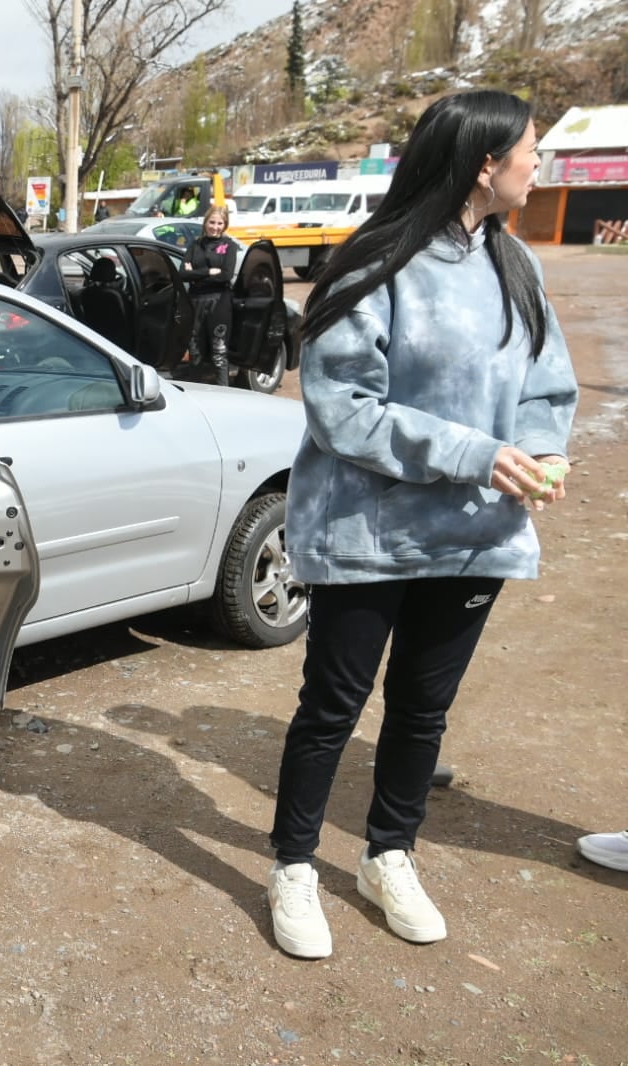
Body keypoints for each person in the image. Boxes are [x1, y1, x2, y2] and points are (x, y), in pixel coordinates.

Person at [265, 90, 577, 960]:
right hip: (369, 534)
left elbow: (548, 389)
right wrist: (478, 453)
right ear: (483, 161)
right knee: (331, 708)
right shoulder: (374, 261)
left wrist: (542, 452)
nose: (537, 165)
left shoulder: (518, 266)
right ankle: (291, 864)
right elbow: (339, 409)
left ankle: (387, 855)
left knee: (420, 712)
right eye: (529, 150)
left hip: (474, 535)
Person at [178, 204, 238, 386]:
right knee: (195, 351)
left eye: (220, 223)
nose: (215, 226)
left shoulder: (229, 246)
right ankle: (196, 393)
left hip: (219, 303)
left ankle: (224, 394)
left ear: (225, 225)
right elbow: (182, 273)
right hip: (195, 302)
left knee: (219, 352)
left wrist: (196, 274)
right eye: (212, 222)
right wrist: (209, 272)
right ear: (205, 223)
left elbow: (226, 275)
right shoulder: (195, 245)